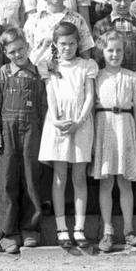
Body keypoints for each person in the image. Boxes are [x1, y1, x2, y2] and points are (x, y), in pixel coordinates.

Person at [37, 22, 96, 251]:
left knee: (79, 177)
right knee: (60, 177)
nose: (68, 48)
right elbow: (50, 95)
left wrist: (79, 121)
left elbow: (90, 95)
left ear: (78, 44)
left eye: (72, 43)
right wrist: (56, 120)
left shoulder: (86, 65)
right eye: (63, 44)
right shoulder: (50, 67)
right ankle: (61, 227)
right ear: (55, 45)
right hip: (58, 123)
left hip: (81, 123)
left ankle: (79, 227)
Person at [0, 27, 48, 253]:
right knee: (7, 181)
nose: (17, 54)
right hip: (7, 130)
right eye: (12, 51)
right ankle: (8, 232)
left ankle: (31, 229)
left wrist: (44, 135)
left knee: (31, 179)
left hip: (32, 130)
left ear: (28, 46)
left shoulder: (37, 73)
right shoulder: (4, 73)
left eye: (21, 49)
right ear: (5, 52)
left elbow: (43, 106)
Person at [90, 28, 136, 253]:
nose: (114, 54)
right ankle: (108, 231)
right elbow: (92, 109)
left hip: (125, 126)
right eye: (110, 50)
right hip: (104, 125)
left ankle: (129, 230)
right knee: (106, 182)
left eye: (118, 50)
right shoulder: (96, 76)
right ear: (103, 51)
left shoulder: (132, 77)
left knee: (125, 181)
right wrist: (92, 140)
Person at [23, 0, 94, 67]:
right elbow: (27, 51)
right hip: (40, 74)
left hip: (69, 74)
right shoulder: (34, 21)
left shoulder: (77, 19)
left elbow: (85, 52)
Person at [90, 0, 136, 79]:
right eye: (118, 0)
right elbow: (96, 59)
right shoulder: (101, 26)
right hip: (109, 80)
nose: (123, 4)